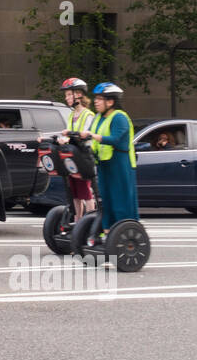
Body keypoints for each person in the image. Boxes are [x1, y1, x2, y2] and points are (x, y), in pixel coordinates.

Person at [78, 82, 139, 244]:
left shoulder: (119, 117)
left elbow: (116, 139)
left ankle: (125, 235)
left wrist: (92, 136)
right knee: (106, 200)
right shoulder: (98, 117)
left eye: (100, 99)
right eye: (96, 98)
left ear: (110, 102)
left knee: (120, 201)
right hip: (103, 164)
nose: (96, 102)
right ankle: (107, 234)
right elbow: (88, 135)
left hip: (120, 164)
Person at [54, 76, 96, 219]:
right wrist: (62, 140)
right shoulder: (72, 115)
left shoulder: (88, 115)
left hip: (84, 157)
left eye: (68, 94)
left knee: (86, 192)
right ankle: (78, 221)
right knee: (75, 193)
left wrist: (70, 136)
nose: (66, 98)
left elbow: (85, 135)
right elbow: (68, 134)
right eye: (66, 95)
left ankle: (90, 220)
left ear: (78, 94)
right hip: (72, 157)